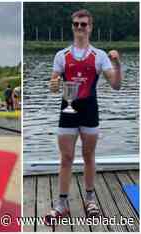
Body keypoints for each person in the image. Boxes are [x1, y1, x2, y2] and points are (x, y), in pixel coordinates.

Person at [45, 9, 123, 224]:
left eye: (84, 24)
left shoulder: (100, 56)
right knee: (66, 158)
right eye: (77, 24)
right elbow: (53, 87)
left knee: (89, 156)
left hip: (90, 111)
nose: (80, 27)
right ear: (72, 27)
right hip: (67, 111)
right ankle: (62, 204)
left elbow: (116, 86)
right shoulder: (61, 55)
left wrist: (117, 64)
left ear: (90, 27)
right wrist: (53, 84)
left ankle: (90, 200)